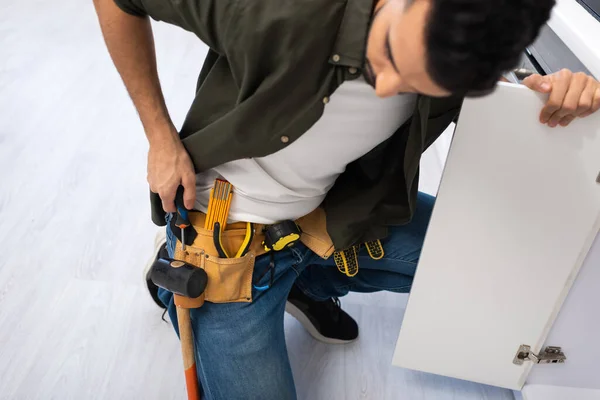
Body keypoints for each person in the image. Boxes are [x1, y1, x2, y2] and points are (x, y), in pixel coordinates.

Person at [93, 0, 600, 398]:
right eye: (393, 58)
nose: (391, 90)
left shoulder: (464, 38)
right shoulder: (281, 9)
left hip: (331, 216)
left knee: (497, 265)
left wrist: (547, 93)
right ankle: (176, 280)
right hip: (229, 241)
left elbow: (505, 93)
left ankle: (300, 280)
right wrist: (160, 137)